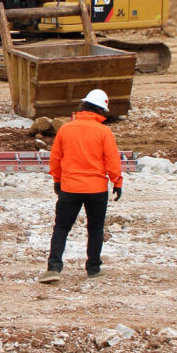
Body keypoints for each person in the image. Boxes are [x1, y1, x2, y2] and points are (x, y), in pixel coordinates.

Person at [38, 88, 123, 284]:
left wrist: (57, 181)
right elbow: (112, 160)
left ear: (83, 106)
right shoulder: (103, 131)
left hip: (70, 187)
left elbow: (56, 159)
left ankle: (54, 267)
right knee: (95, 228)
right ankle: (93, 268)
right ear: (101, 110)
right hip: (97, 189)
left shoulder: (66, 129)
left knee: (61, 227)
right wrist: (117, 182)